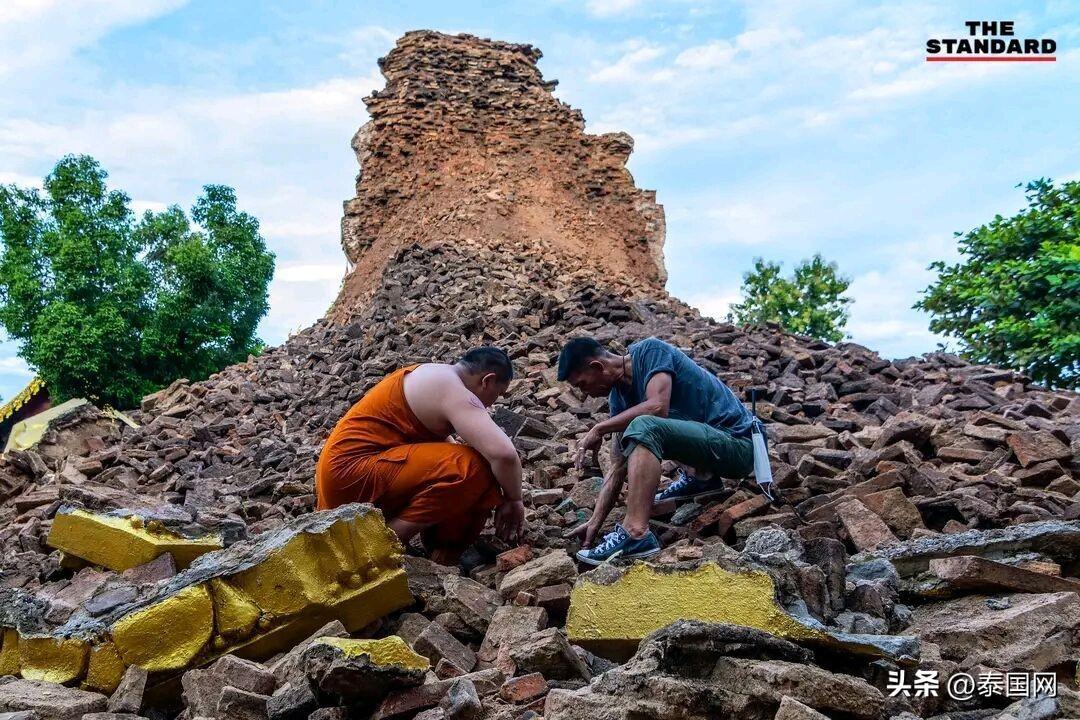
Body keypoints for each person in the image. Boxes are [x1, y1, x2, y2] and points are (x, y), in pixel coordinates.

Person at [316, 347, 525, 565]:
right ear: (487, 381)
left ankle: (443, 553)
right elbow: (504, 455)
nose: (493, 403)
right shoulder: (451, 389)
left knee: (477, 473)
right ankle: (379, 543)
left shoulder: (432, 375)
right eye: (498, 394)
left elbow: (437, 448)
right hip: (352, 473)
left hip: (345, 476)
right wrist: (514, 500)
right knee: (475, 468)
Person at [557, 336, 755, 565]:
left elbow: (658, 406)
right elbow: (618, 465)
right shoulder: (619, 399)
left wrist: (599, 428)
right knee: (639, 426)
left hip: (739, 445)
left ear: (596, 367)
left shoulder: (650, 351)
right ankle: (701, 478)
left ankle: (636, 533)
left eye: (582, 384)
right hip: (712, 454)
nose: (585, 394)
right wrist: (594, 521)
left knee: (643, 424)